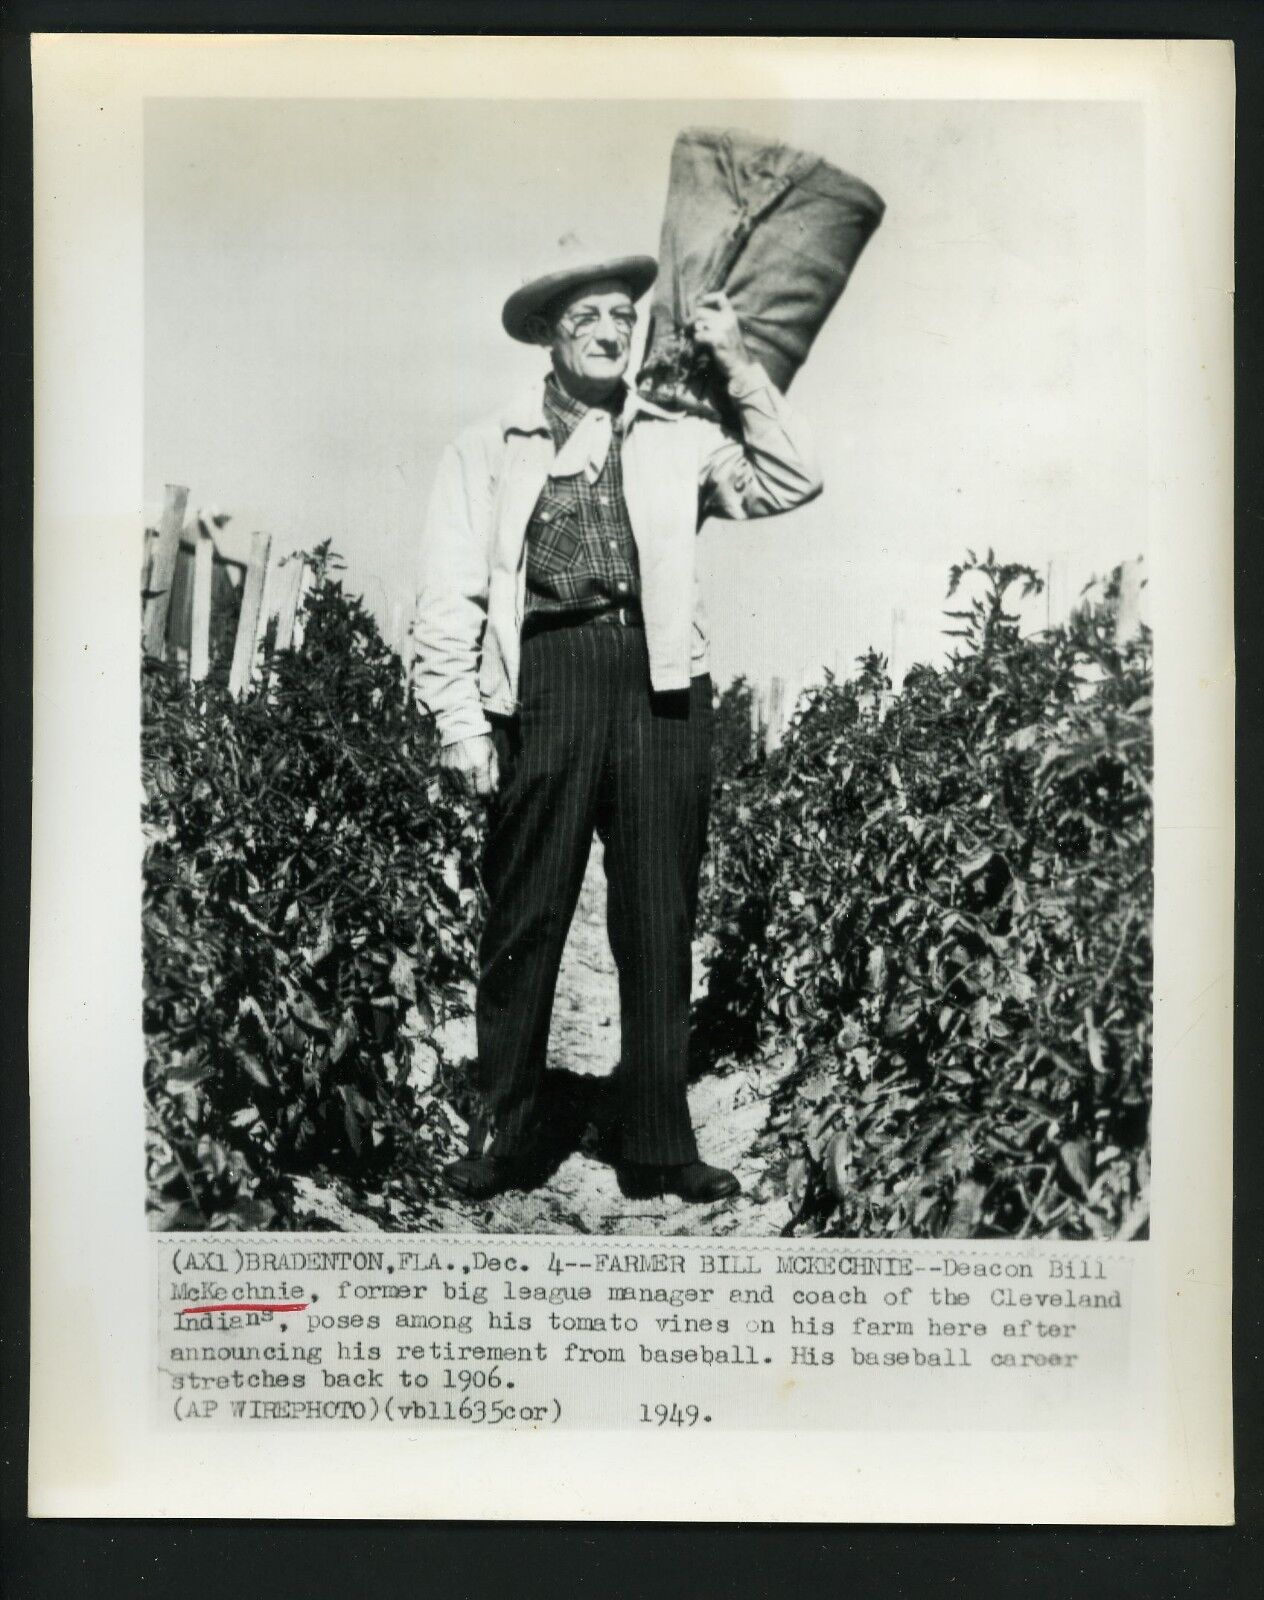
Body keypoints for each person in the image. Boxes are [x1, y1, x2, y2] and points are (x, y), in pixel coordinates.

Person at [413, 240, 822, 1202]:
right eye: (587, 317)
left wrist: (735, 362)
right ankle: (504, 1132)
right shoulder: (489, 446)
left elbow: (790, 479)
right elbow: (448, 595)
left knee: (656, 915)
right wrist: (461, 723)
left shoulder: (677, 437)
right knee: (526, 914)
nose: (608, 332)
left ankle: (656, 1141)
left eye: (623, 319)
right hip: (547, 679)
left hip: (663, 686)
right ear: (551, 337)